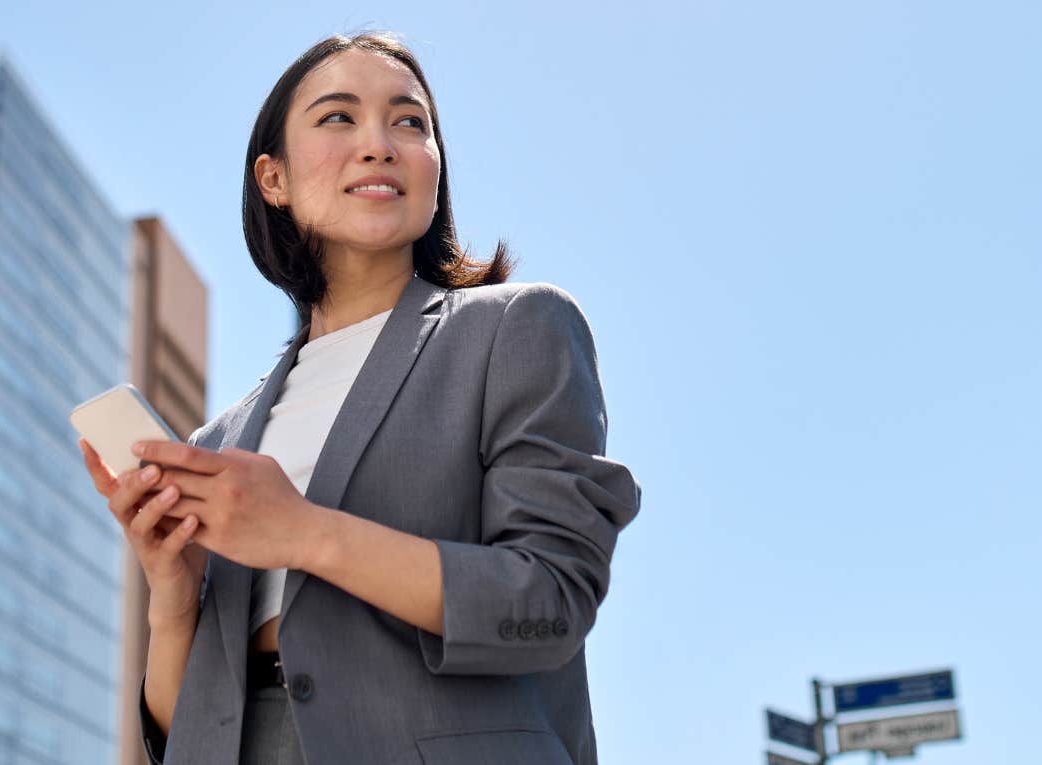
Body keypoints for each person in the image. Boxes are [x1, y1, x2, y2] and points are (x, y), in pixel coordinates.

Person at [78, 31, 642, 765]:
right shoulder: (219, 440)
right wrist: (175, 595)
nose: (379, 143)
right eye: (338, 117)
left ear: (435, 170)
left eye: (410, 122)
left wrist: (304, 531)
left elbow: (547, 602)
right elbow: (182, 732)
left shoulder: (515, 328)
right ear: (272, 178)